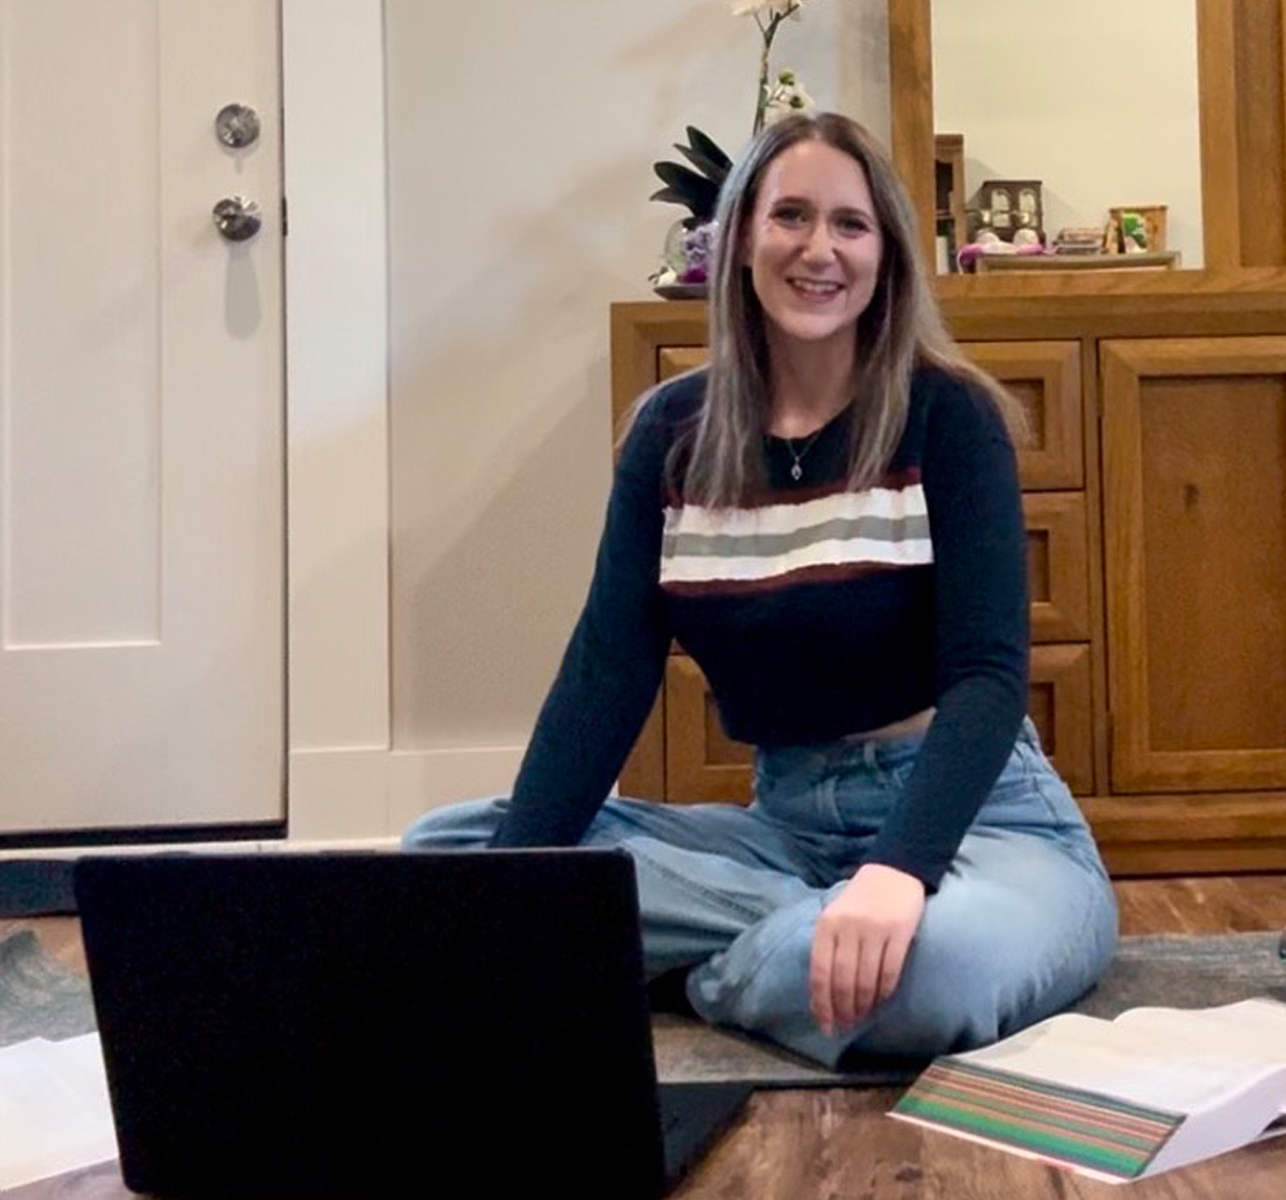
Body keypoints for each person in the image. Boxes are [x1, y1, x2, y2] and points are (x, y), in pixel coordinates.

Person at [404, 111, 1118, 1068]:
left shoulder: (948, 417)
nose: (818, 249)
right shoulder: (671, 433)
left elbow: (989, 676)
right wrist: (519, 893)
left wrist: (900, 870)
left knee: (932, 971)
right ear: (742, 237)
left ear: (887, 253)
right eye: (790, 216)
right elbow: (608, 669)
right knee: (446, 860)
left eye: (850, 225)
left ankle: (736, 967)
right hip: (782, 833)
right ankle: (811, 942)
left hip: (985, 826)